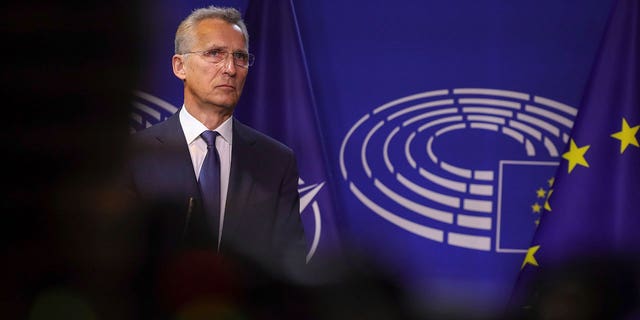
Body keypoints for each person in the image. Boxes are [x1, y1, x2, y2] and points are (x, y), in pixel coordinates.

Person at [126, 6, 307, 280]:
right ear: (180, 66)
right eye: (214, 54)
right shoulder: (138, 156)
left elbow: (290, 264)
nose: (230, 69)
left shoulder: (276, 162)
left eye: (240, 57)